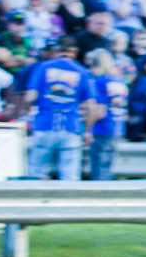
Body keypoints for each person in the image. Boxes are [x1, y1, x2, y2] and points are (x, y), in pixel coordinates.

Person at [22, 36, 97, 180]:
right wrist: (88, 131)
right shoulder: (82, 71)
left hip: (45, 123)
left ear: (56, 50)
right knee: (70, 175)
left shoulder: (43, 67)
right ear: (75, 52)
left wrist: (27, 116)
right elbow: (91, 105)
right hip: (71, 125)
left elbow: (30, 96)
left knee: (36, 172)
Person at [85, 48, 128, 179]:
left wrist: (87, 130)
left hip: (101, 130)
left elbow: (99, 112)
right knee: (108, 169)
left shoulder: (99, 81)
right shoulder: (119, 82)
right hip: (117, 129)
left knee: (98, 170)